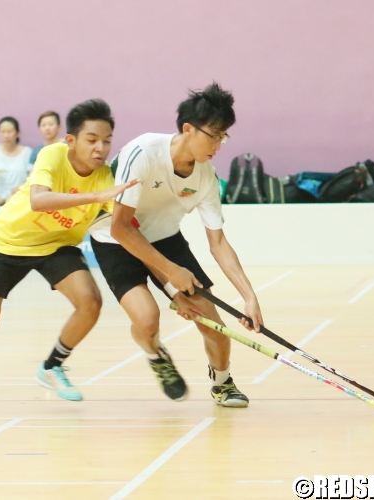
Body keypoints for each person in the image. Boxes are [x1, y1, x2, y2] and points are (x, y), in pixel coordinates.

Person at [0, 99, 137, 411]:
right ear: (72, 140)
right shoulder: (52, 155)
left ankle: (52, 366)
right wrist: (95, 196)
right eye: (92, 140)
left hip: (55, 245)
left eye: (107, 141)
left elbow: (121, 227)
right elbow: (39, 201)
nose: (100, 148)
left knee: (90, 301)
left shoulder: (106, 177)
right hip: (8, 242)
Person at [89, 83, 264, 407]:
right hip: (114, 238)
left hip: (166, 239)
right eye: (212, 135)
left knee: (214, 327)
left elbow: (219, 243)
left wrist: (248, 296)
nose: (218, 144)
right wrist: (172, 275)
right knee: (147, 320)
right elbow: (122, 227)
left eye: (223, 136)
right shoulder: (143, 152)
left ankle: (222, 383)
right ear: (188, 129)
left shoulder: (206, 178)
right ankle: (155, 353)